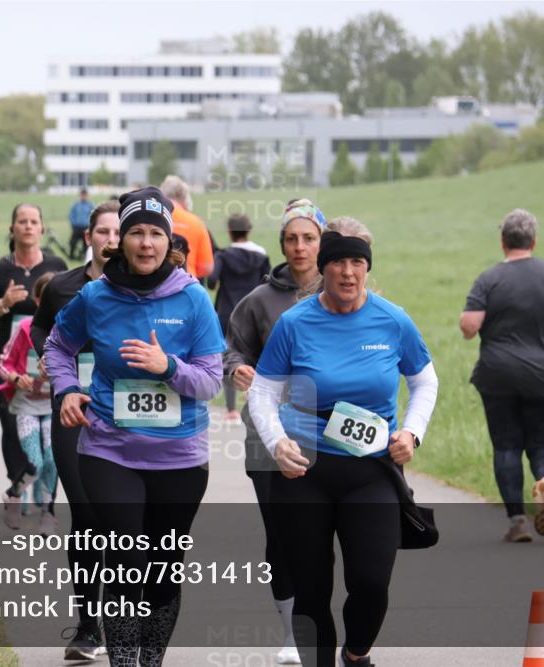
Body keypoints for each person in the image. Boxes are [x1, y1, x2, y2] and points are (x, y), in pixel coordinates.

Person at [44, 186, 225, 667]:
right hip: (110, 449)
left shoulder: (193, 300)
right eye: (137, 233)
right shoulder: (95, 296)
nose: (146, 243)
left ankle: (151, 661)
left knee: (163, 570)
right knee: (126, 561)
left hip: (180, 457)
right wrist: (67, 390)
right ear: (120, 240)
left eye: (156, 234)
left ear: (170, 241)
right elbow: (57, 346)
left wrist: (168, 367)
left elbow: (211, 382)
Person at [248, 218, 439, 667]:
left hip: (371, 471)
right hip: (303, 471)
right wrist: (276, 442)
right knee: (311, 590)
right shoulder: (295, 323)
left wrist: (412, 432)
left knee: (371, 582)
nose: (348, 272)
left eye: (357, 262)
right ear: (323, 268)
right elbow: (262, 391)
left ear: (367, 267)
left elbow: (424, 381)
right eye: (338, 263)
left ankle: (356, 654)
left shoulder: (392, 320)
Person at [223, 198, 326, 665]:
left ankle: (323, 624)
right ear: (281, 244)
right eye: (291, 238)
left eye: (309, 238)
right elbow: (231, 350)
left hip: (329, 434)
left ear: (322, 242)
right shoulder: (258, 301)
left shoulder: (344, 291)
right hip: (269, 435)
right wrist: (238, 369)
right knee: (281, 533)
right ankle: (291, 632)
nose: (300, 246)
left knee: (324, 534)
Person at [460, 209, 544, 543]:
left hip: (499, 376)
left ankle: (518, 522)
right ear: (533, 241)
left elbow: (470, 326)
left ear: (503, 241)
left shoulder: (489, 278)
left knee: (506, 446)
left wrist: (475, 325)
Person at [31, 199, 120, 661]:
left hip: (126, 414)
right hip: (73, 409)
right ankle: (89, 627)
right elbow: (39, 328)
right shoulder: (63, 286)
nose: (111, 240)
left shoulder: (141, 290)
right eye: (103, 232)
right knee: (86, 513)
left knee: (122, 518)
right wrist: (48, 356)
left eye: (119, 232)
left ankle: (124, 618)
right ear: (88, 237)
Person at [0, 204, 68, 491]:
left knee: (50, 433)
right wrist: (2, 304)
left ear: (42, 228)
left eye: (34, 221)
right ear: (12, 228)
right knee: (11, 426)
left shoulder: (57, 266)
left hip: (48, 360)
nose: (28, 226)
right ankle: (19, 484)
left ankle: (44, 493)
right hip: (7, 362)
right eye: (22, 221)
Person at [0, 272, 59, 532]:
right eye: (48, 298)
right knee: (35, 463)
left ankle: (48, 513)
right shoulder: (25, 328)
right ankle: (14, 494)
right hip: (26, 407)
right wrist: (15, 377)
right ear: (37, 300)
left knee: (53, 460)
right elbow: (2, 363)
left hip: (55, 407)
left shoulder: (70, 331)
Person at [208, 213, 271, 422]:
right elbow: (268, 283)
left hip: (227, 312)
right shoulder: (261, 256)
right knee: (256, 353)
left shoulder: (223, 256)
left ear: (229, 231)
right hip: (253, 312)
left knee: (229, 356)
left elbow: (211, 281)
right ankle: (256, 399)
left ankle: (231, 409)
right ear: (249, 229)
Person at [160, 175, 214, 279]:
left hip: (156, 283)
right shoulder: (196, 222)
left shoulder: (153, 218)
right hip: (187, 281)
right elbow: (207, 267)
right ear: (185, 197)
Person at [68, 188, 95, 260]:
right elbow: (71, 215)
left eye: (85, 195)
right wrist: (73, 224)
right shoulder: (76, 205)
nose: (83, 196)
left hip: (86, 227)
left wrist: (90, 224)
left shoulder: (90, 205)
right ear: (80, 195)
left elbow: (93, 215)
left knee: (86, 243)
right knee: (72, 242)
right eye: (82, 195)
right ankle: (71, 256)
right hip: (76, 227)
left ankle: (84, 256)